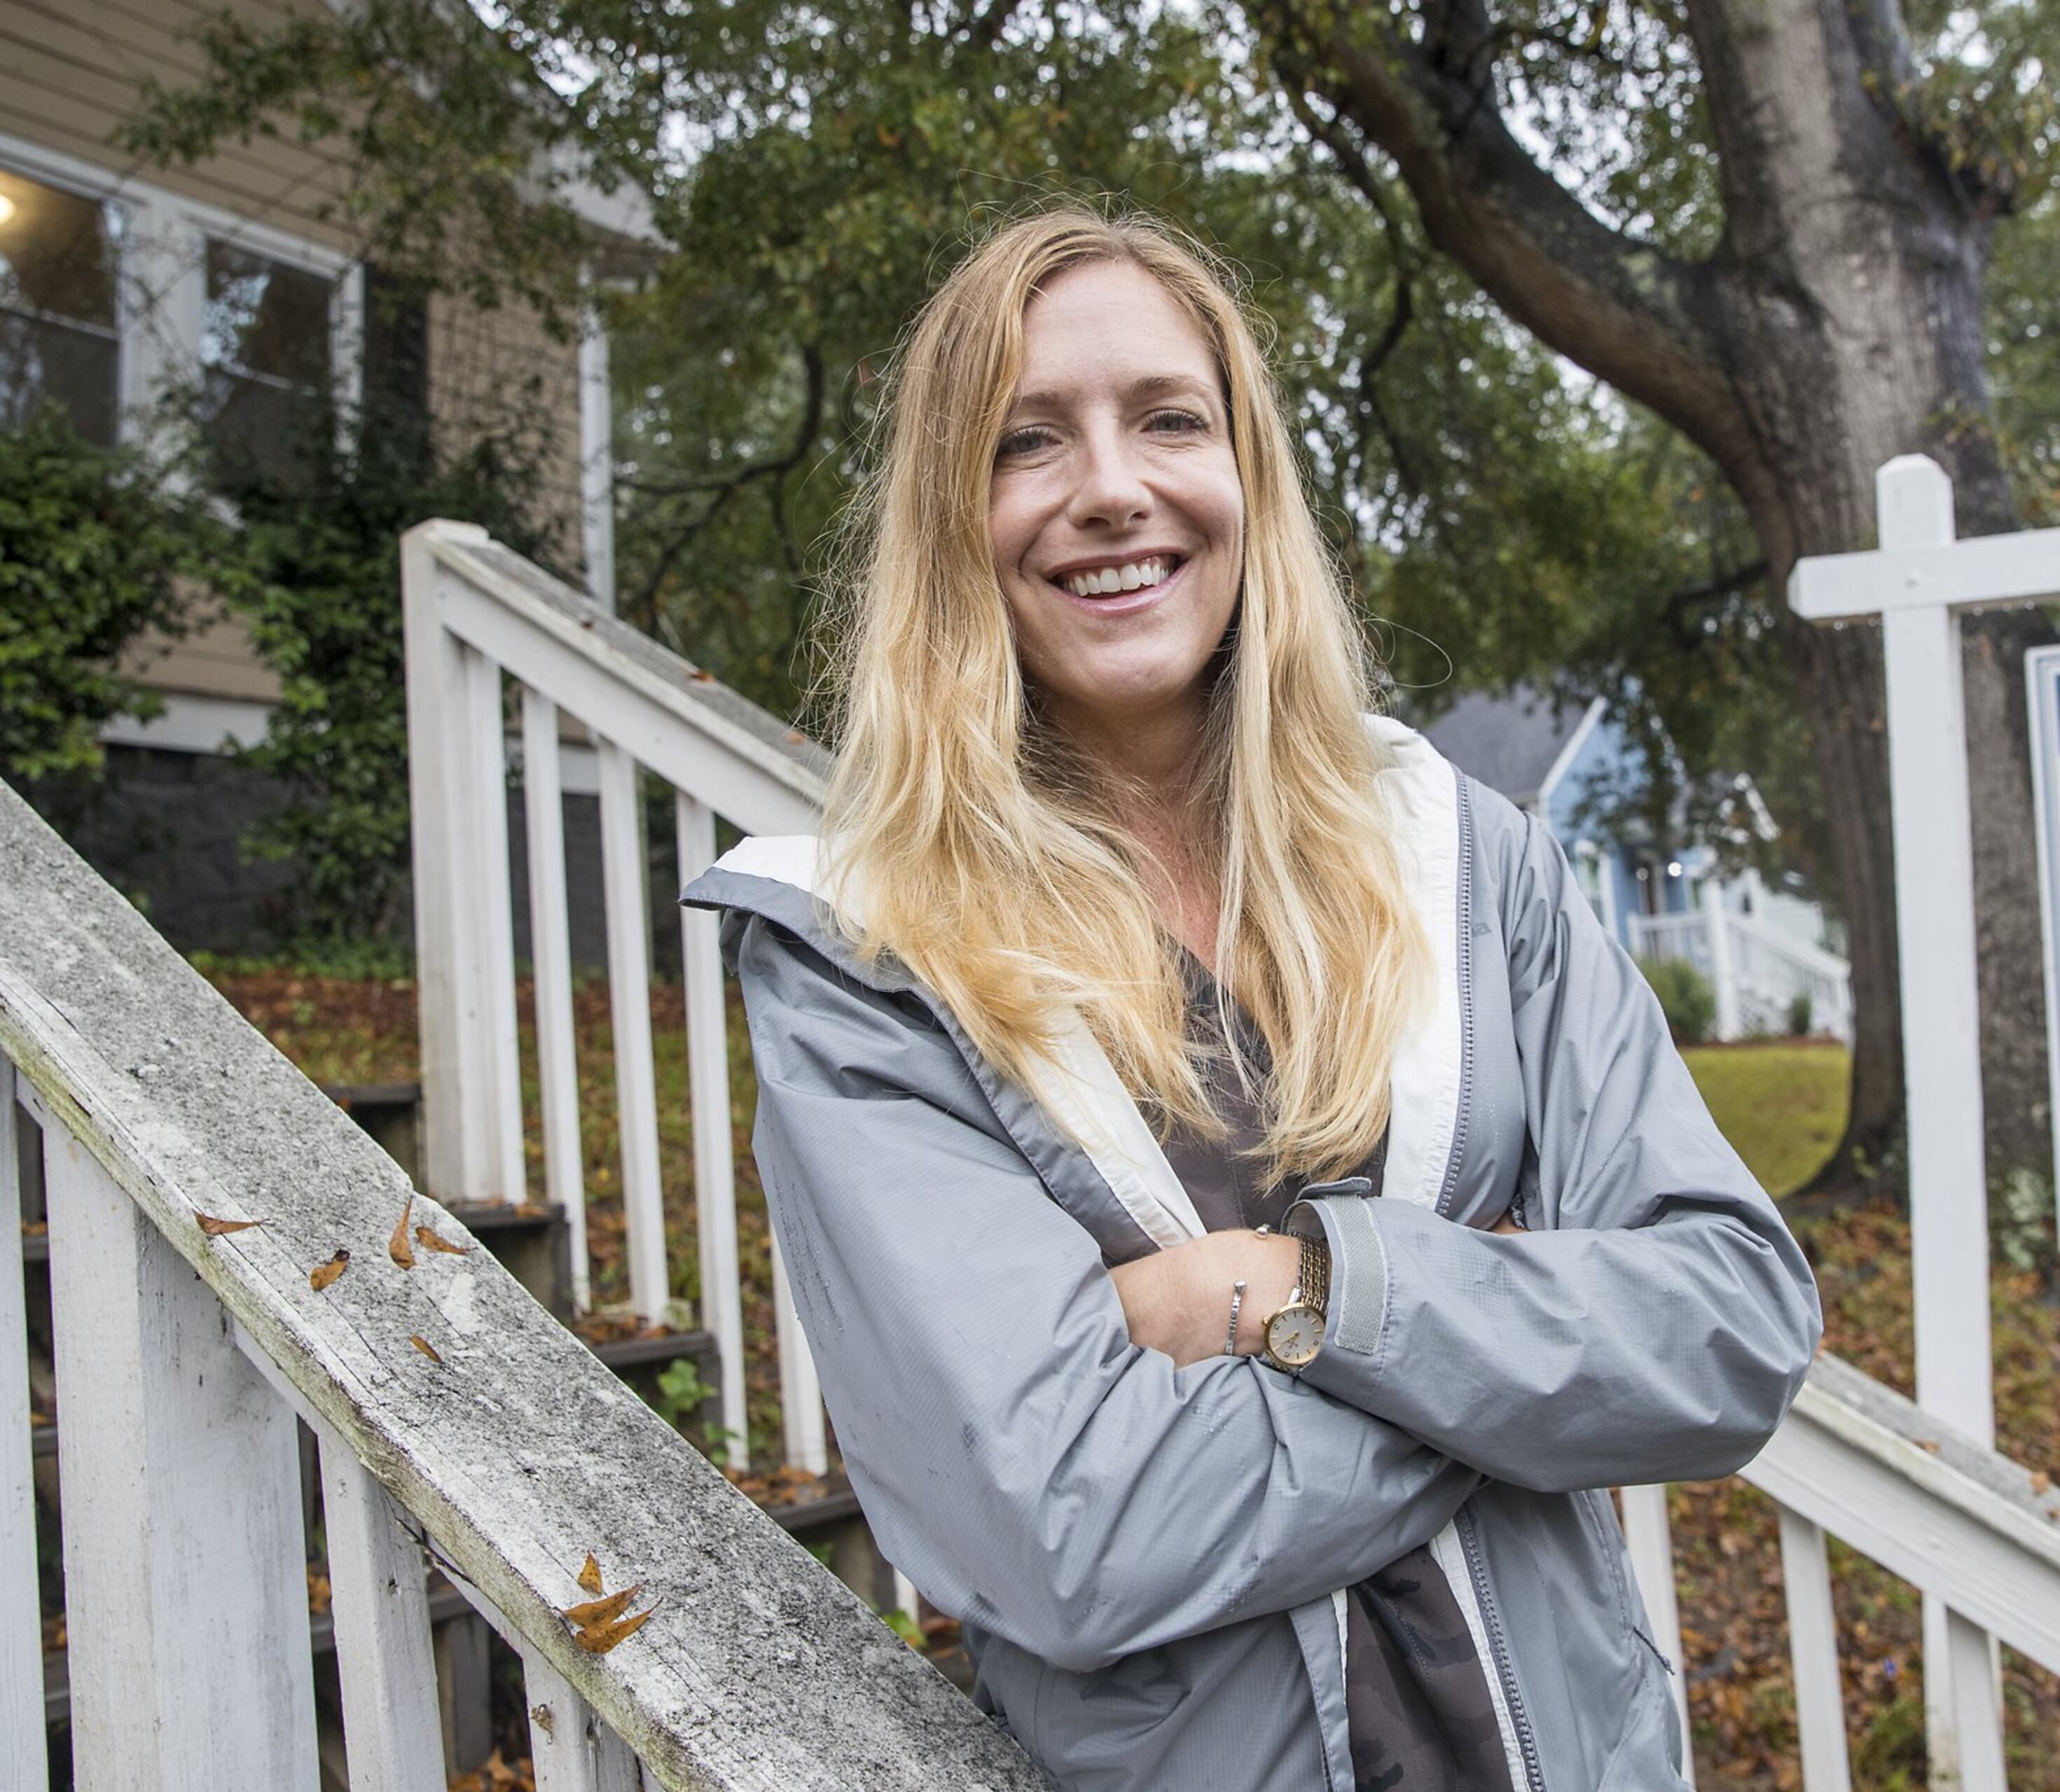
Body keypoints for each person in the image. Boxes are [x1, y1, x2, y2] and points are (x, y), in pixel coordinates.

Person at [682, 207, 1821, 1792]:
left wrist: (1299, 1288)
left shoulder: (1463, 854)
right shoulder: (866, 952)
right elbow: (1069, 1525)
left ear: (1248, 475)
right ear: (954, 515)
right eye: (1026, 442)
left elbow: (1729, 1321)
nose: (1111, 488)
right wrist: (1523, 1363)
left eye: (1169, 418)